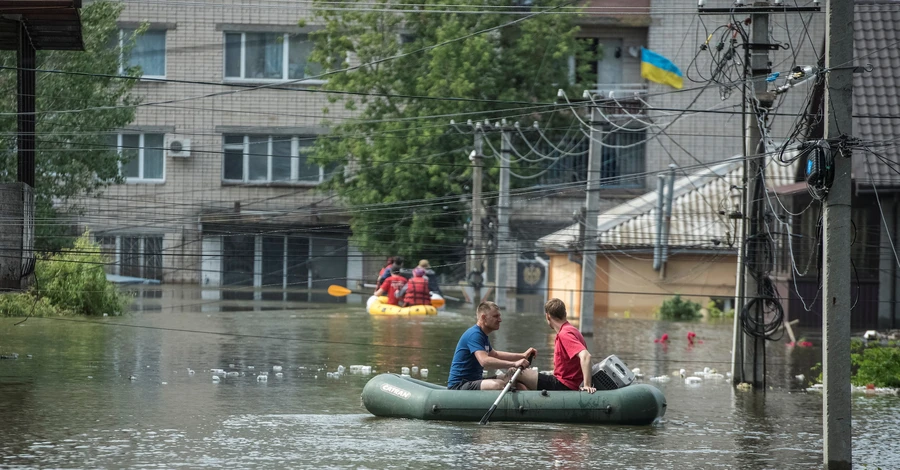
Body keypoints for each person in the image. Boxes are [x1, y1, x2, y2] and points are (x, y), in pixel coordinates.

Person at [447, 301, 537, 390]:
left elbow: (495, 355)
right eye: (495, 316)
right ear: (483, 317)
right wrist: (514, 363)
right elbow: (484, 361)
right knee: (499, 385)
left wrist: (523, 355)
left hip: (476, 380)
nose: (500, 320)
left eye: (499, 316)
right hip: (460, 385)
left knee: (514, 378)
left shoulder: (482, 335)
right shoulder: (474, 334)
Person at [537, 298, 596, 393]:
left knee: (517, 373)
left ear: (548, 316)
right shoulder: (572, 330)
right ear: (565, 314)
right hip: (564, 381)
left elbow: (585, 356)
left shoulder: (564, 334)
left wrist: (587, 385)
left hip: (563, 385)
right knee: (522, 382)